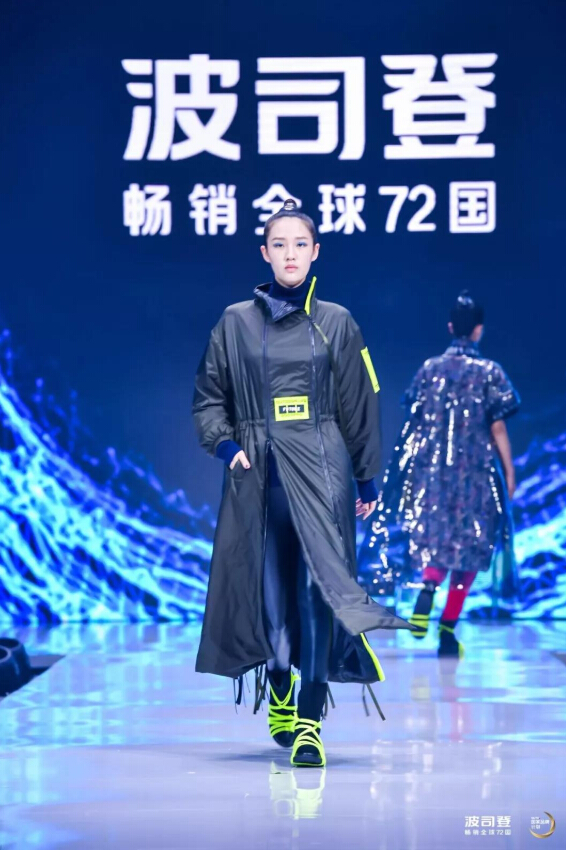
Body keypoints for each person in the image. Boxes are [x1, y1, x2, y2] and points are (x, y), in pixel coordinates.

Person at [193, 200, 414, 768]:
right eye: (279, 244)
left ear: (315, 253)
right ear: (264, 253)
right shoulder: (234, 321)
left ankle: (311, 722)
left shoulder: (338, 322)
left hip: (324, 471)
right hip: (259, 477)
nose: (290, 254)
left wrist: (366, 480)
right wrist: (227, 447)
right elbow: (209, 396)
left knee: (318, 596)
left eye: (299, 244)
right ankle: (280, 685)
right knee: (270, 602)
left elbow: (360, 402)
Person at [365, 292, 520, 657]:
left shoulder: (429, 369)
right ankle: (447, 631)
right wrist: (509, 472)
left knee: (437, 544)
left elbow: (414, 424)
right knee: (470, 550)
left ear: (451, 327)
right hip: (476, 477)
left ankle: (428, 589)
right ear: (479, 330)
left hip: (432, 477)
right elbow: (497, 427)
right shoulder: (490, 372)